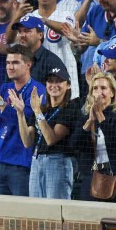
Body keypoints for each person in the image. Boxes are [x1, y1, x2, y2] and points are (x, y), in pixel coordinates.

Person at [0, 45, 46, 196]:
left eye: (15, 63)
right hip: (0, 162)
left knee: (21, 214)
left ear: (28, 64)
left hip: (22, 165)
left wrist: (0, 102)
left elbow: (23, 122)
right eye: (8, 63)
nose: (10, 66)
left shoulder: (37, 90)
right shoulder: (5, 88)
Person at [15, 66, 79, 200]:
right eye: (50, 81)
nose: (54, 85)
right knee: (37, 211)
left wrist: (37, 112)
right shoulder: (42, 108)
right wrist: (20, 113)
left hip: (57, 162)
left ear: (68, 85)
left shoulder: (70, 108)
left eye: (59, 81)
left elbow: (51, 139)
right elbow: (27, 142)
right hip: (36, 161)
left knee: (55, 210)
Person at [71, 72, 116, 203]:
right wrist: (89, 122)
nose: (99, 92)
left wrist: (101, 117)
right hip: (90, 179)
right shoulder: (84, 118)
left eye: (104, 88)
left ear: (112, 93)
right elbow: (74, 145)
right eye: (95, 88)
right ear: (91, 93)